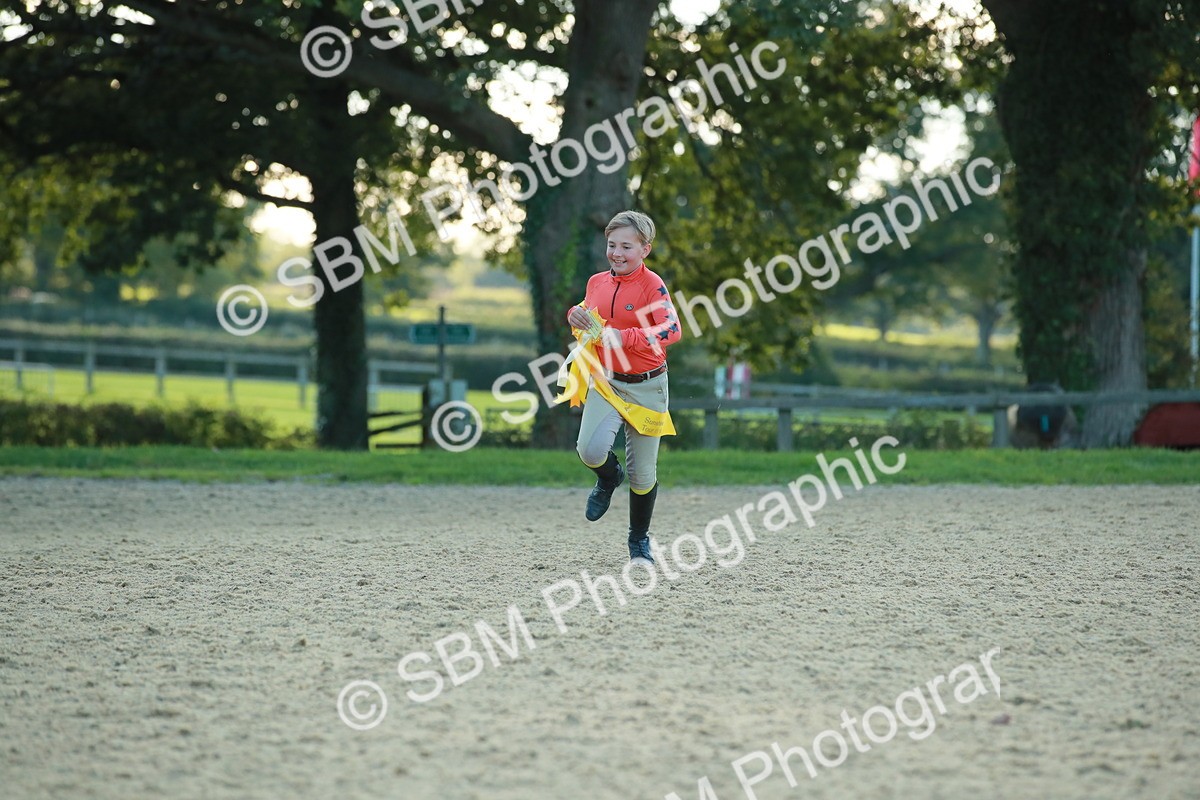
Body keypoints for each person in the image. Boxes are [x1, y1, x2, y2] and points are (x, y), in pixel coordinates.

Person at [565, 211, 681, 563]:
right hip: (607, 382)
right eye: (612, 244)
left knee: (643, 474)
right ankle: (608, 477)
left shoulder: (652, 285)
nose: (617, 252)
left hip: (647, 387)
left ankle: (638, 541)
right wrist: (574, 313)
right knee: (589, 450)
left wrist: (624, 337)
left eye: (626, 246)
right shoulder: (597, 281)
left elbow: (671, 330)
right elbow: (588, 314)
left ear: (645, 249)